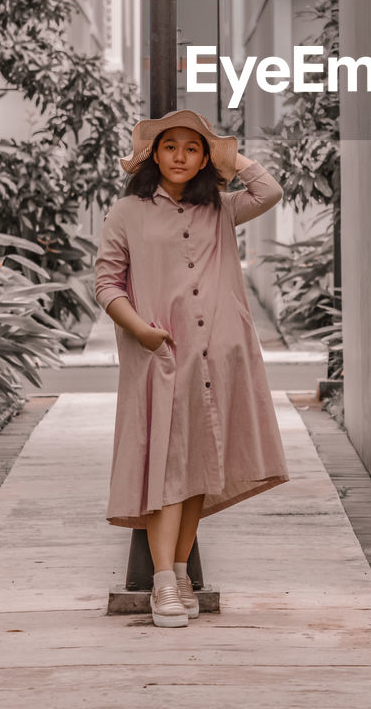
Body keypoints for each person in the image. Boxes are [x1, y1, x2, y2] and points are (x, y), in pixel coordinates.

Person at [94, 109, 290, 628]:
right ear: (154, 155)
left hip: (216, 353)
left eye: (192, 148)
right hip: (160, 355)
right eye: (170, 146)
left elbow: (269, 190)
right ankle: (162, 584)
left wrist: (227, 152)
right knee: (166, 467)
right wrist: (139, 329)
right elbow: (107, 283)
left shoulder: (221, 210)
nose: (180, 156)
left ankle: (180, 573)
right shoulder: (127, 212)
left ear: (205, 159)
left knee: (198, 465)